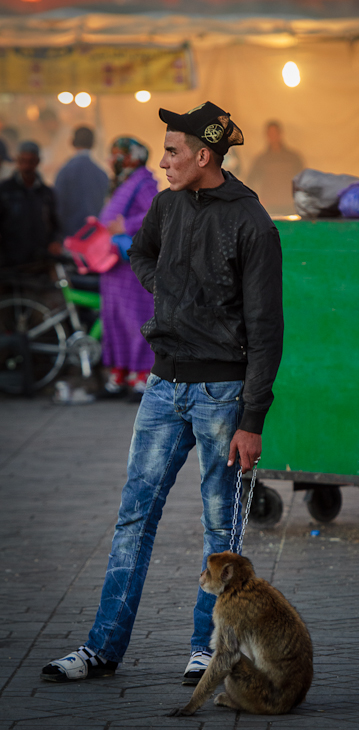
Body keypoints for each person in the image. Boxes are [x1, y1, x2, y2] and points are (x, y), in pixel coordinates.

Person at [40, 101, 284, 686]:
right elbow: (140, 253)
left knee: (218, 530)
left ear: (204, 155)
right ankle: (102, 648)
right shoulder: (166, 204)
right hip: (161, 387)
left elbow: (268, 331)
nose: (163, 161)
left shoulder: (252, 223)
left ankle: (207, 649)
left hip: (223, 395)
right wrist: (166, 291)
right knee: (133, 517)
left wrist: (253, 419)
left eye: (172, 151)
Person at [97, 137, 158, 402]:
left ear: (133, 157)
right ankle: (118, 376)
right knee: (114, 322)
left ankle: (140, 378)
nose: (113, 160)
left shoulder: (144, 183)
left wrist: (126, 225)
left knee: (136, 321)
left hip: (132, 268)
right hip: (113, 267)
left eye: (118, 154)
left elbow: (156, 214)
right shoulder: (126, 181)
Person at [0, 141, 61, 269]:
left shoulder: (46, 193)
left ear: (37, 162)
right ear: (18, 160)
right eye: (23, 160)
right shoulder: (5, 190)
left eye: (31, 161)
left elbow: (55, 224)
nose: (27, 166)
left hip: (39, 262)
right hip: (10, 264)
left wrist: (55, 242)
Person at [54, 126, 109, 238]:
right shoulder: (102, 174)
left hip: (70, 237)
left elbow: (57, 207)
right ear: (94, 143)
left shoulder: (64, 172)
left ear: (72, 142)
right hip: (96, 238)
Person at [247, 120, 304, 216]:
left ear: (280, 134)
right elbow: (251, 181)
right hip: (269, 206)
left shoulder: (293, 157)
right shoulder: (261, 159)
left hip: (290, 205)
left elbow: (302, 180)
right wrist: (258, 199)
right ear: (267, 135)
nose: (273, 136)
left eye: (275, 133)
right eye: (270, 133)